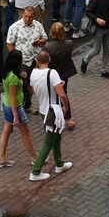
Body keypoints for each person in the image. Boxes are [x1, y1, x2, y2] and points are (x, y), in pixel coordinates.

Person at [29, 50, 72, 181]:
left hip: (43, 110)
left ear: (37, 61)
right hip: (53, 111)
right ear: (49, 60)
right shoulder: (52, 73)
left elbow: (32, 89)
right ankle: (35, 171)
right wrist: (66, 106)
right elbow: (62, 94)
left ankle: (59, 163)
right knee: (49, 141)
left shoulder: (33, 73)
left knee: (57, 136)